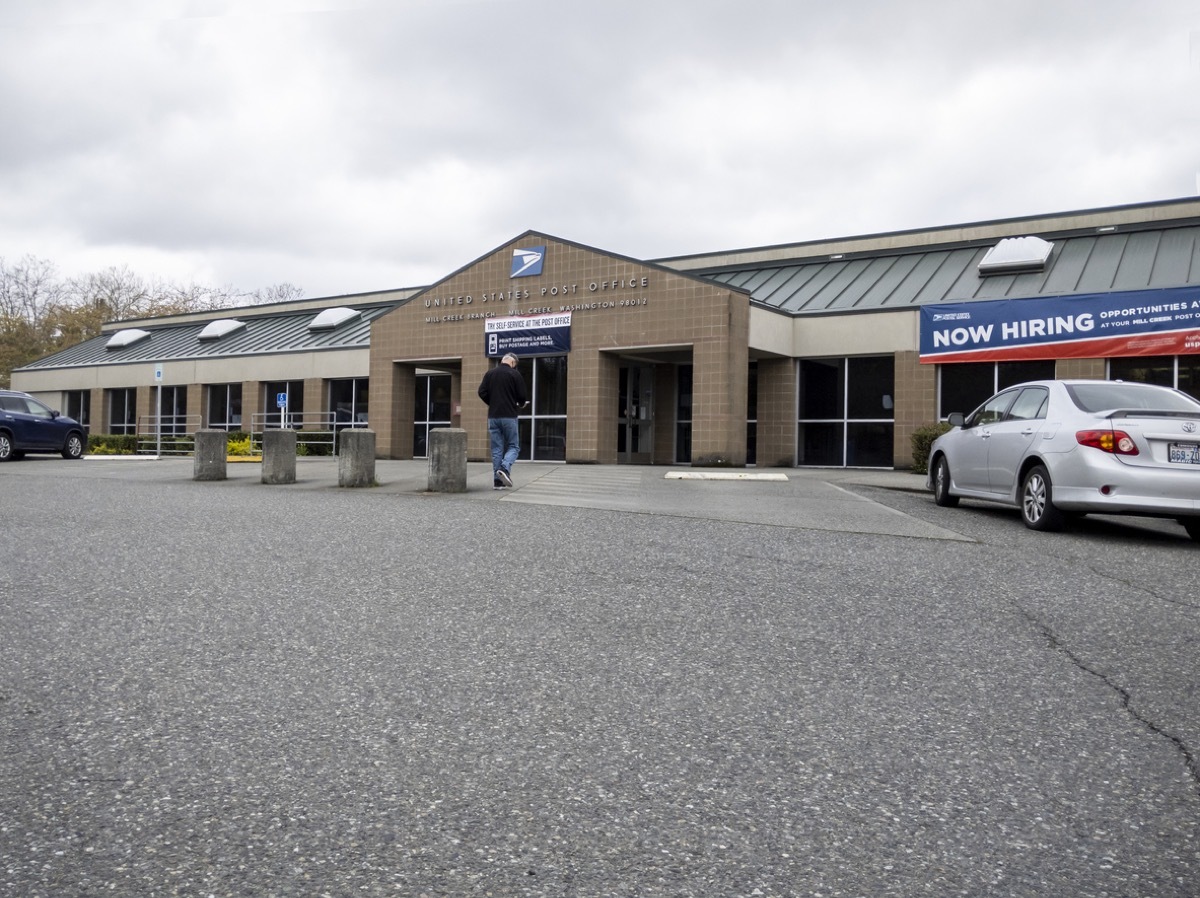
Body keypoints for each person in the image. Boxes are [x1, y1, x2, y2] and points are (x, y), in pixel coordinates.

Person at [477, 352, 528, 489]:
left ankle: (498, 482)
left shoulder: (490, 374)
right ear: (513, 363)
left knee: (497, 449)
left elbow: (481, 392)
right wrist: (520, 404)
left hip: (493, 416)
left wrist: (492, 402)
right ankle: (505, 468)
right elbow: (522, 396)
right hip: (509, 416)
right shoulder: (514, 374)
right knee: (513, 446)